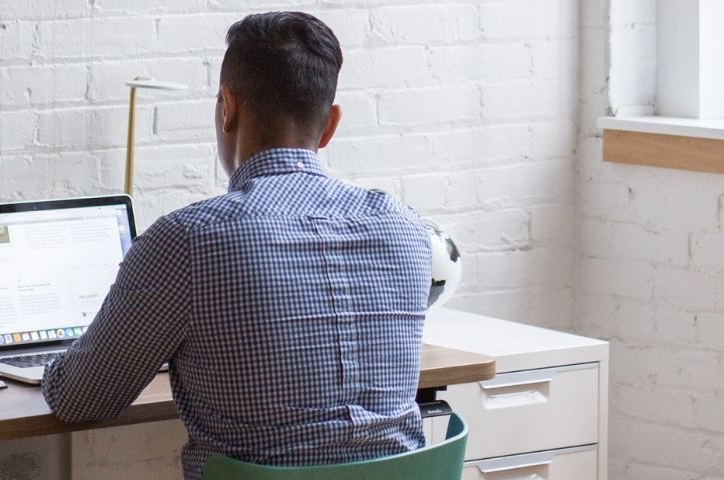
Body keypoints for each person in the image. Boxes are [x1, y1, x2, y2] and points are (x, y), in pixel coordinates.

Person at [39, 11, 434, 480]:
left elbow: (80, 399)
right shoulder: (408, 229)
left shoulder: (187, 240)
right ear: (330, 125)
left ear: (226, 109)